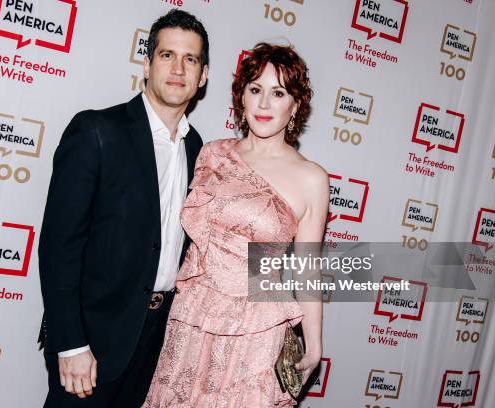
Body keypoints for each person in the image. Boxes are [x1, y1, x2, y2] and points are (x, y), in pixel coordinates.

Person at [37, 9, 209, 408]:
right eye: (167, 55)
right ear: (147, 64)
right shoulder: (97, 131)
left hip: (156, 342)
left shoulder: (200, 150)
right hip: (92, 341)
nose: (178, 68)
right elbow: (58, 248)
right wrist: (70, 343)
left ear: (203, 77)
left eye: (191, 59)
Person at [144, 42, 328, 407]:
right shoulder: (212, 154)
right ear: (241, 97)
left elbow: (307, 268)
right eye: (255, 90)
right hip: (193, 314)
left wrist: (315, 343)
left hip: (257, 327)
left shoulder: (311, 179)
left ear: (294, 105)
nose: (264, 104)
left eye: (278, 93)